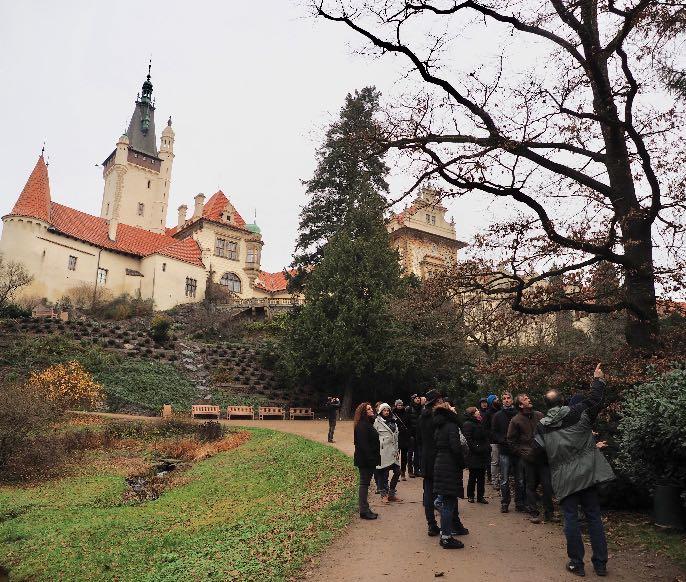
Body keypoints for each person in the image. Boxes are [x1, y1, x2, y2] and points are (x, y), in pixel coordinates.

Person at [537, 363, 615, 577]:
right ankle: (600, 564)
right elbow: (595, 400)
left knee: (570, 518)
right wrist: (598, 379)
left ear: (546, 405)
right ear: (563, 401)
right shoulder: (579, 412)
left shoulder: (542, 426)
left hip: (563, 478)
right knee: (593, 517)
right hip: (587, 475)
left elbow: (539, 452)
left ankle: (576, 564)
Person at [417, 389, 468, 537]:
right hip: (442, 458)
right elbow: (458, 426)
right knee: (449, 493)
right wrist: (452, 414)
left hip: (427, 458)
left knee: (428, 492)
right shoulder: (440, 417)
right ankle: (454, 524)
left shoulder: (422, 417)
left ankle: (432, 525)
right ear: (438, 402)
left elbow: (419, 439)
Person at [507, 393, 555, 524]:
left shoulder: (539, 415)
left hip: (543, 457)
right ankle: (533, 512)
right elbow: (511, 441)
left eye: (528, 397)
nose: (529, 399)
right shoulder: (516, 420)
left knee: (547, 486)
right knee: (531, 486)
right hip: (529, 459)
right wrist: (523, 452)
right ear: (521, 405)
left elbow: (549, 431)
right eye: (525, 399)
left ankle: (549, 513)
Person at [432, 401, 466, 549]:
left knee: (447, 501)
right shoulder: (451, 426)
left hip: (440, 463)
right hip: (450, 466)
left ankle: (445, 534)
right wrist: (462, 462)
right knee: (449, 504)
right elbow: (455, 448)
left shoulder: (439, 426)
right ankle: (446, 537)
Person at [491, 391, 526, 513]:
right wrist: (502, 440)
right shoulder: (498, 415)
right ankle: (505, 502)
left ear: (512, 400)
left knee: (520, 479)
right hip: (504, 451)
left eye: (508, 398)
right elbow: (494, 432)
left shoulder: (518, 414)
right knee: (504, 479)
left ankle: (519, 502)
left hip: (517, 451)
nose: (506, 400)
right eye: (504, 398)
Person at [353, 402, 381, 520]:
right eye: (368, 409)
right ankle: (363, 510)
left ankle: (365, 508)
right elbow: (363, 446)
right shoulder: (362, 426)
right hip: (365, 461)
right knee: (364, 484)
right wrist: (371, 459)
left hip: (368, 460)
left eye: (371, 408)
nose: (371, 410)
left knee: (365, 484)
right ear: (364, 412)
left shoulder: (367, 424)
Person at [373, 403, 403, 503]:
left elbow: (396, 438)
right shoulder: (377, 422)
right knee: (384, 474)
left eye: (388, 410)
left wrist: (397, 450)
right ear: (380, 411)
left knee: (398, 471)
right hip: (383, 452)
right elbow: (373, 437)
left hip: (393, 452)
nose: (386, 412)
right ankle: (383, 495)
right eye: (384, 410)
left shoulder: (394, 421)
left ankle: (391, 494)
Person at [462, 406, 491, 504]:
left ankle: (480, 496)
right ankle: (470, 495)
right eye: (477, 411)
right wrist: (477, 449)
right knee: (473, 476)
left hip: (482, 453)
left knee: (481, 476)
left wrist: (487, 447)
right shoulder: (468, 424)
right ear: (472, 413)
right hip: (473, 455)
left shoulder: (480, 422)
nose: (479, 412)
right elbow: (468, 440)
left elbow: (485, 436)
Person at [483, 394, 501, 489]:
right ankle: (494, 481)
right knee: (495, 462)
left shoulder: (501, 411)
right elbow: (485, 429)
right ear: (492, 401)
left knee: (502, 462)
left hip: (503, 441)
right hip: (493, 441)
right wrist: (493, 436)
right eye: (496, 398)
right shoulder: (488, 413)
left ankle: (501, 481)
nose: (498, 400)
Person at [393, 399, 410, 480]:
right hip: (396, 438)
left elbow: (409, 425)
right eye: (398, 405)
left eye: (401, 405)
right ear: (396, 406)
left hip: (405, 437)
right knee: (396, 456)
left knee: (404, 457)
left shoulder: (406, 414)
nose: (399, 406)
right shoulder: (393, 414)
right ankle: (396, 473)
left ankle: (403, 472)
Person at [407, 394, 423, 477]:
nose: (418, 399)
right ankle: (410, 470)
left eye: (419, 398)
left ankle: (417, 470)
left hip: (419, 433)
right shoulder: (409, 408)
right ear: (413, 399)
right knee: (410, 453)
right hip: (411, 434)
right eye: (416, 398)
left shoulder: (421, 408)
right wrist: (409, 434)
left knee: (418, 453)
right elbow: (406, 422)